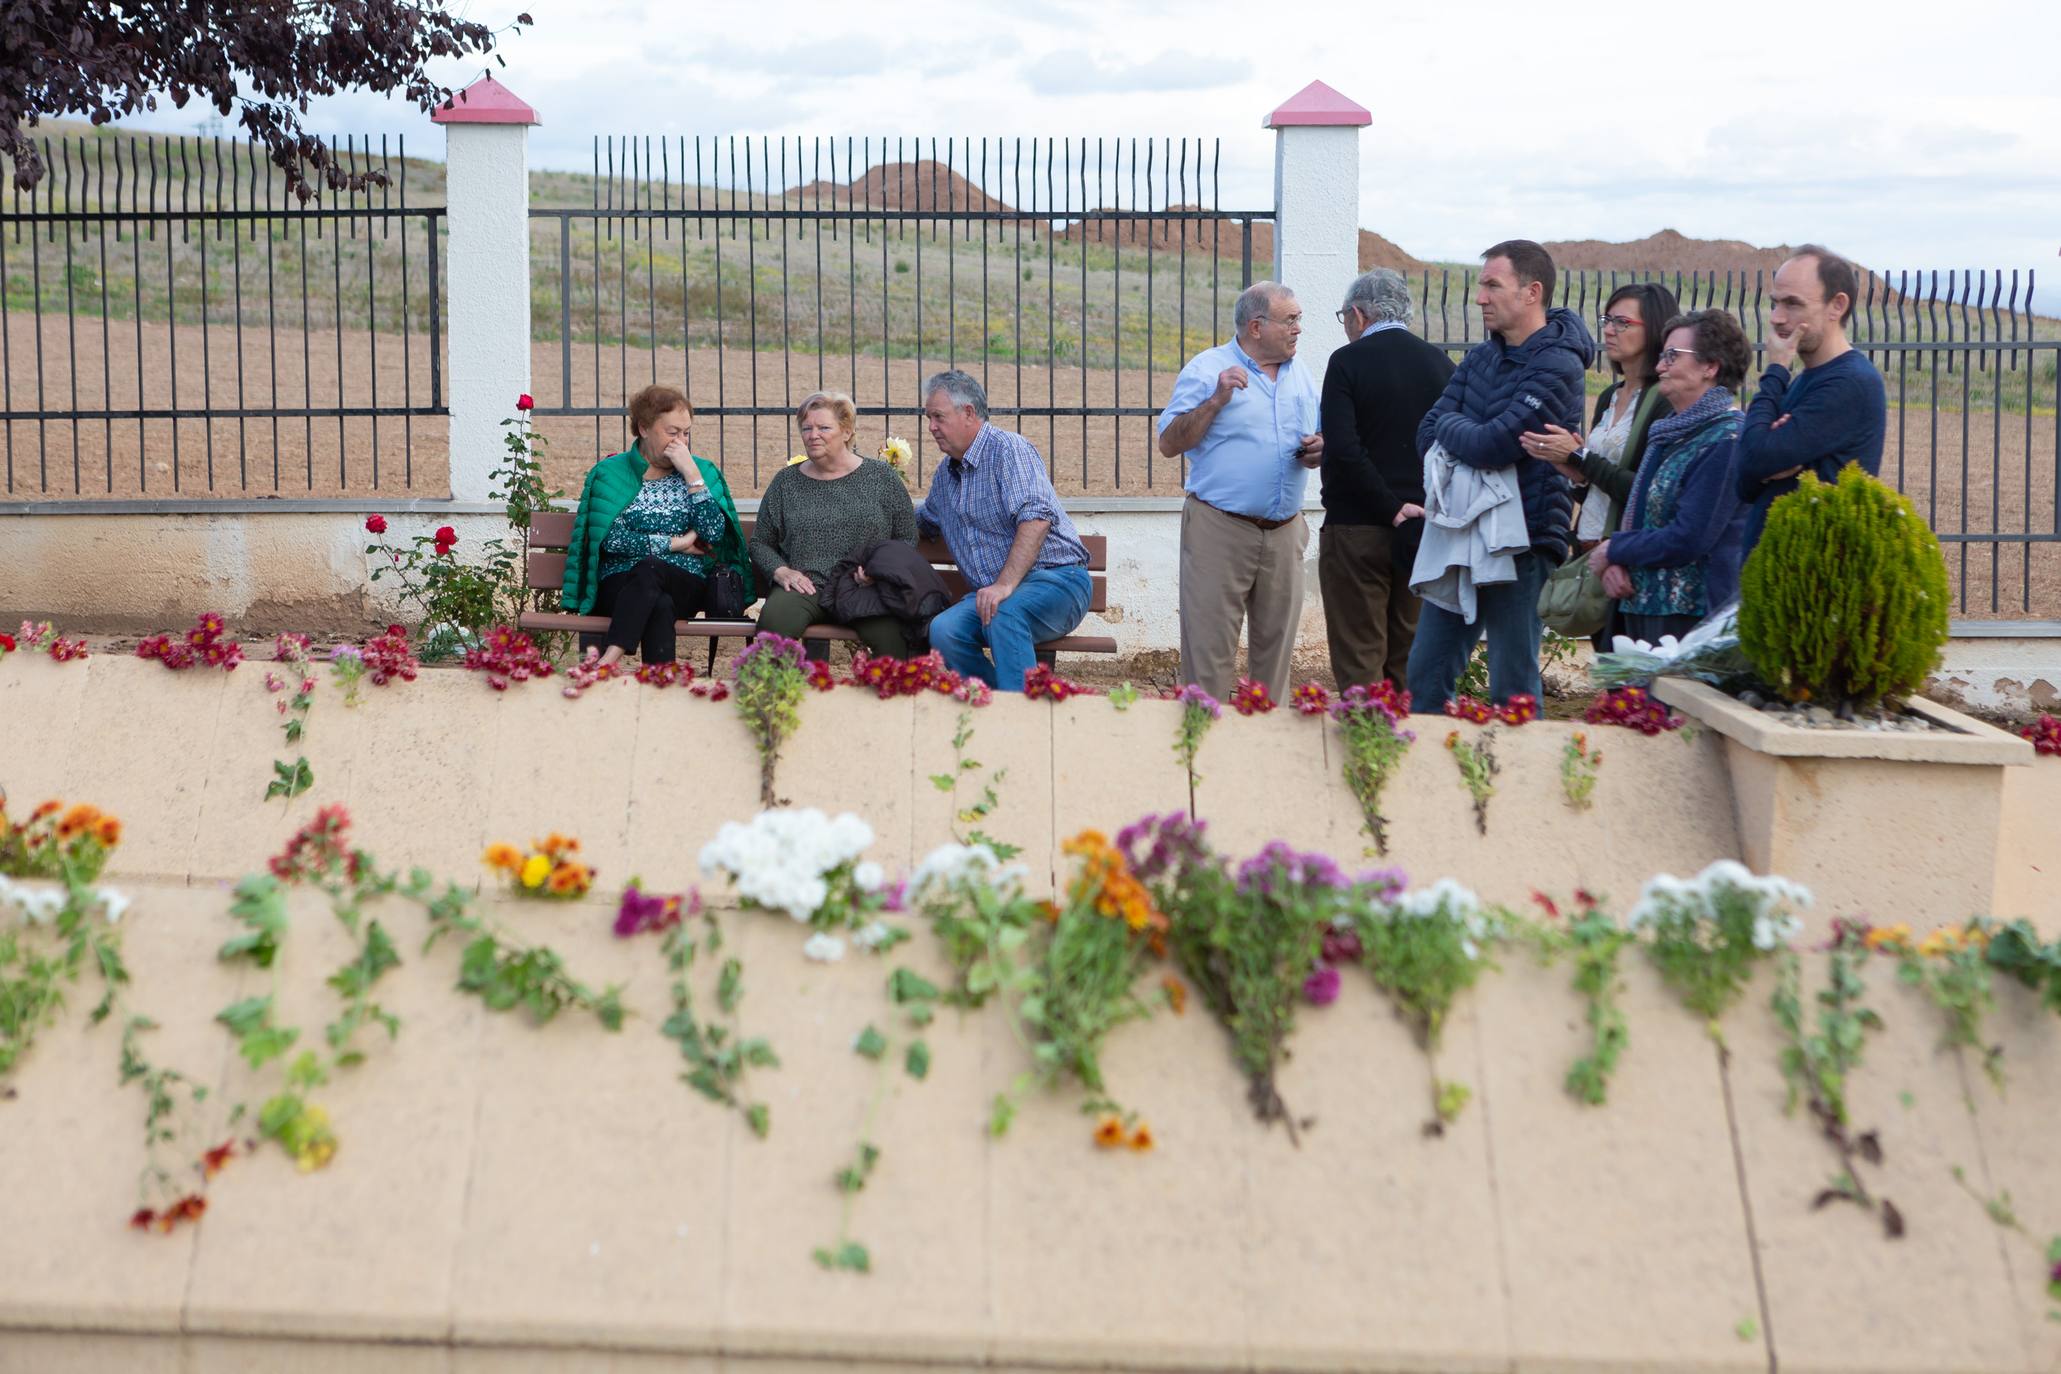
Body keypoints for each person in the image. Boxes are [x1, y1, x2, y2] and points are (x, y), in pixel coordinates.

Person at [1405, 240, 1594, 712]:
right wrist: (1463, 431)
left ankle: (1519, 784)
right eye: (1481, 285)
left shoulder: (1559, 363)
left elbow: (1497, 445)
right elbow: (1426, 432)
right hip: (1462, 537)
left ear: (1532, 292)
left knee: (1512, 687)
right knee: (1425, 675)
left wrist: (1457, 432)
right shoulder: (1481, 358)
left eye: (1493, 285)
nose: (1480, 297)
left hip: (1524, 542)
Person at [1156, 281, 1322, 701]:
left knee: (1277, 658)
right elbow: (1169, 443)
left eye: (1298, 318)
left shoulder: (1301, 374)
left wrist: (1321, 448)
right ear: (1256, 326)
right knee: (1208, 654)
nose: (1298, 328)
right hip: (1220, 530)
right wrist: (1215, 400)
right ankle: (1204, 753)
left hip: (1285, 531)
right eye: (1290, 320)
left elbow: (1318, 434)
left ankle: (1264, 756)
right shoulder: (1207, 368)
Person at [1316, 268, 1454, 690]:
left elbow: (1342, 447)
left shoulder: (1347, 362)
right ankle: (1405, 749)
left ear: (1358, 314)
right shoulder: (1441, 364)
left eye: (1344, 317)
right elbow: (1449, 447)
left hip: (1356, 529)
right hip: (1423, 530)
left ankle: (1366, 751)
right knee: (1408, 659)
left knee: (1360, 657)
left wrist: (1388, 506)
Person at [916, 370, 1094, 691]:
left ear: (968, 412)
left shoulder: (1009, 449)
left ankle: (1017, 724)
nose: (931, 427)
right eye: (929, 418)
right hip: (995, 596)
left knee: (1003, 613)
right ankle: (999, 704)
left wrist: (1004, 584)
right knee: (944, 630)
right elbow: (922, 521)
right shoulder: (945, 475)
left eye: (938, 417)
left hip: (1059, 582)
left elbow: (1037, 519)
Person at [1587, 310, 1753, 644]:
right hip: (1642, 609)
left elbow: (1688, 538)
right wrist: (1617, 562)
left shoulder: (1726, 440)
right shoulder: (1670, 433)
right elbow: (1644, 518)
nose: (1660, 366)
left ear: (1710, 366)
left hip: (1688, 625)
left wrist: (1615, 549)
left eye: (1672, 356)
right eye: (1663, 356)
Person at [1528, 281, 1678, 646]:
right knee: (1610, 672)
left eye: (1623, 322)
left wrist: (1580, 457)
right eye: (1607, 319)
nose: (1609, 330)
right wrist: (1577, 475)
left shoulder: (1662, 401)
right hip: (1592, 551)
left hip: (1627, 561)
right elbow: (1600, 485)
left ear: (1655, 328)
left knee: (1629, 677)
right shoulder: (1611, 396)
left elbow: (1645, 491)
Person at [561, 385, 752, 668]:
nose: (681, 442)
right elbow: (612, 540)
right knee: (658, 601)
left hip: (685, 582)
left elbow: (713, 534)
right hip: (619, 582)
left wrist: (692, 475)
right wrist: (677, 544)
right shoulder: (610, 473)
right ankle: (660, 686)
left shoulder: (701, 470)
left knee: (651, 569)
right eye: (672, 432)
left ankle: (609, 658)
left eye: (686, 433)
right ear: (644, 428)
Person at [1735, 244, 1886, 554]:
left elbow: (1752, 457)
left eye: (1793, 304)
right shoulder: (1804, 381)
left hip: (1812, 581)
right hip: (1770, 575)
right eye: (1775, 303)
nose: (1776, 318)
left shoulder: (1850, 383)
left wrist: (1776, 369)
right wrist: (1761, 462)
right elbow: (1742, 481)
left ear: (1837, 305)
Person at [750, 391, 919, 658]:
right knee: (774, 627)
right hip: (805, 587)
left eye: (824, 427)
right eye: (807, 428)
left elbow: (906, 537)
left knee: (893, 637)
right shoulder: (786, 482)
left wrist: (878, 572)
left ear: (847, 431)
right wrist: (781, 572)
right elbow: (760, 542)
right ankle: (771, 696)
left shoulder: (881, 478)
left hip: (865, 588)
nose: (813, 434)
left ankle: (890, 699)